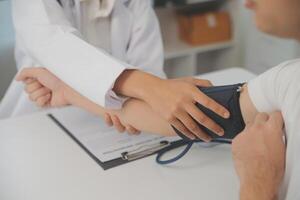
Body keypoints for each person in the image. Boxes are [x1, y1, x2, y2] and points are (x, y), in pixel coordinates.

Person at [16, 0, 300, 199]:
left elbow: (163, 104)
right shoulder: (287, 80)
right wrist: (73, 92)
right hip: (36, 125)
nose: (245, 2)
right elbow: (50, 39)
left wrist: (258, 185)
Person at [0, 0, 230, 140]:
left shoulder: (133, 3)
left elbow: (151, 79)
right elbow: (56, 48)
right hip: (40, 116)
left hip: (111, 128)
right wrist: (150, 89)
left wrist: (148, 94)